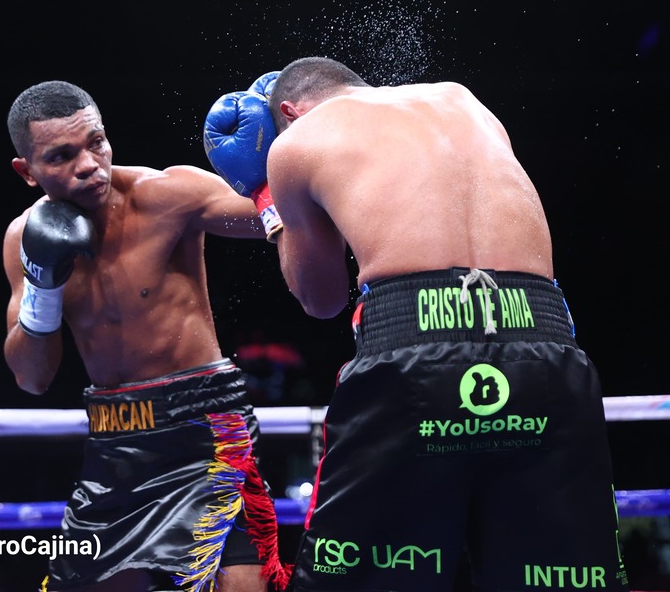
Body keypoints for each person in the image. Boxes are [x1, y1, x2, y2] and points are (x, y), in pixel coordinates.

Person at [202, 58, 629, 591]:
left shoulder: (297, 141)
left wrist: (268, 196)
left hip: (414, 352)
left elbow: (321, 299)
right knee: (557, 579)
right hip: (547, 347)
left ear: (288, 112)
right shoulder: (463, 100)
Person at [2, 80, 292, 592]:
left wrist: (282, 159)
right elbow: (32, 378)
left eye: (96, 142)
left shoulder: (167, 195)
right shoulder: (22, 239)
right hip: (116, 438)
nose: (89, 165)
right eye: (62, 156)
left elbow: (285, 220)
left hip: (207, 428)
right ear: (27, 172)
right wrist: (43, 289)